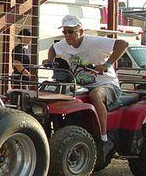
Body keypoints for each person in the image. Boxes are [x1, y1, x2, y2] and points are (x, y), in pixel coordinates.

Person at [46, 15, 128, 156]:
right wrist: (49, 60)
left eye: (71, 31)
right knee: (56, 94)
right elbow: (53, 48)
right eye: (65, 32)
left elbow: (123, 44)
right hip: (80, 85)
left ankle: (104, 138)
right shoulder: (63, 44)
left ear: (81, 31)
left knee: (95, 95)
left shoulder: (94, 41)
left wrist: (107, 64)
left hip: (105, 82)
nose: (67, 35)